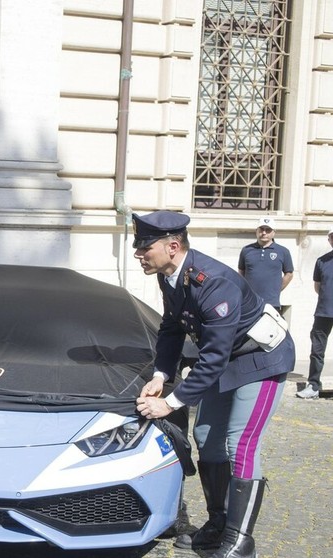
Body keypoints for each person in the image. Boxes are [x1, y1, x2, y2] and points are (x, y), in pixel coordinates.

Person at [133, 211, 294, 558]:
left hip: (262, 360)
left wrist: (169, 403)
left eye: (145, 247)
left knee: (241, 442)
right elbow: (172, 327)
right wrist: (161, 375)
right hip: (225, 360)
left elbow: (213, 357)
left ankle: (241, 539)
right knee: (206, 436)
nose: (138, 254)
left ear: (172, 247)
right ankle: (219, 522)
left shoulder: (213, 282)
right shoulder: (169, 275)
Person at [298, 227, 333, 399]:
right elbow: (318, 287)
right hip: (323, 312)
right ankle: (313, 385)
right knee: (317, 351)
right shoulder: (321, 261)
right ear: (329, 240)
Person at [237, 217, 293, 310]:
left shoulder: (283, 251)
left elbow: (289, 274)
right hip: (249, 302)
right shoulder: (246, 250)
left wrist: (276, 289)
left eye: (268, 230)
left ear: (273, 232)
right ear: (256, 231)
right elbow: (241, 272)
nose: (264, 233)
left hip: (271, 303)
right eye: (261, 229)